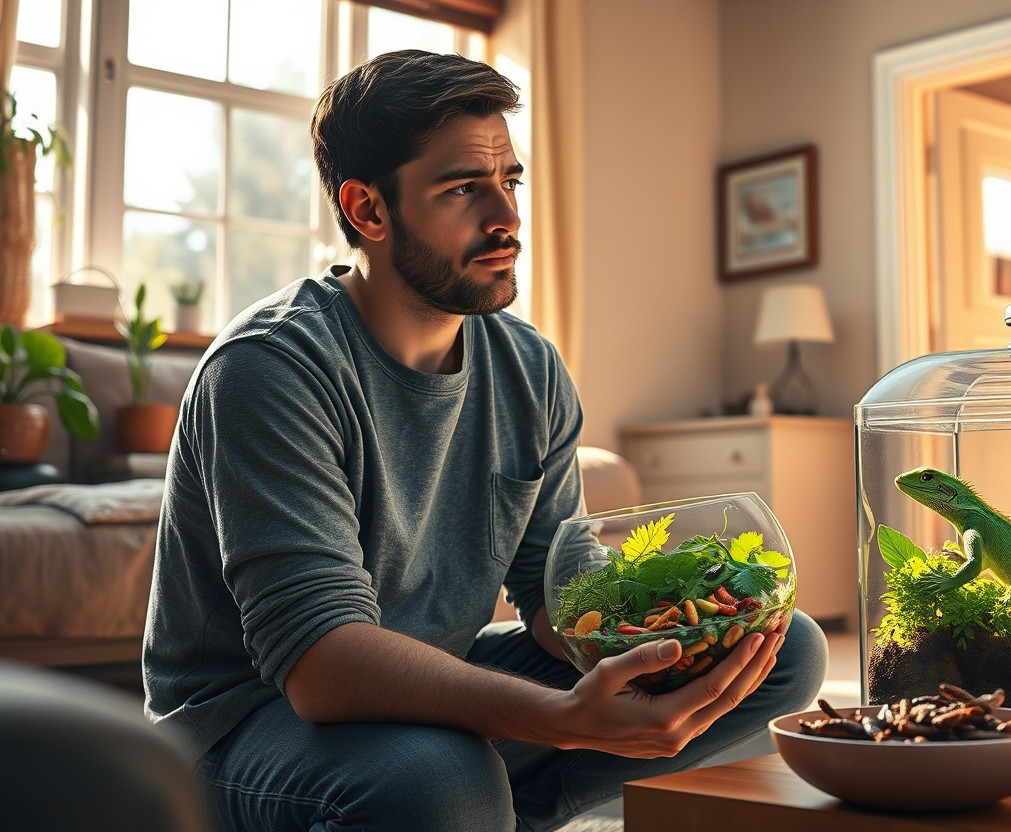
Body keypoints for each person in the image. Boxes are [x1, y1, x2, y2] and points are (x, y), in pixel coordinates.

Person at [143, 50, 828, 832]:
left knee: (782, 649)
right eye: (464, 188)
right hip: (249, 726)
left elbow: (555, 598)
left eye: (511, 181)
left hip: (429, 681)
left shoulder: (527, 365)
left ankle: (506, 815)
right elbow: (321, 666)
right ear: (368, 210)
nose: (505, 215)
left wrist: (666, 636)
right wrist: (566, 719)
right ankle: (467, 806)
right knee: (444, 782)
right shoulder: (272, 368)